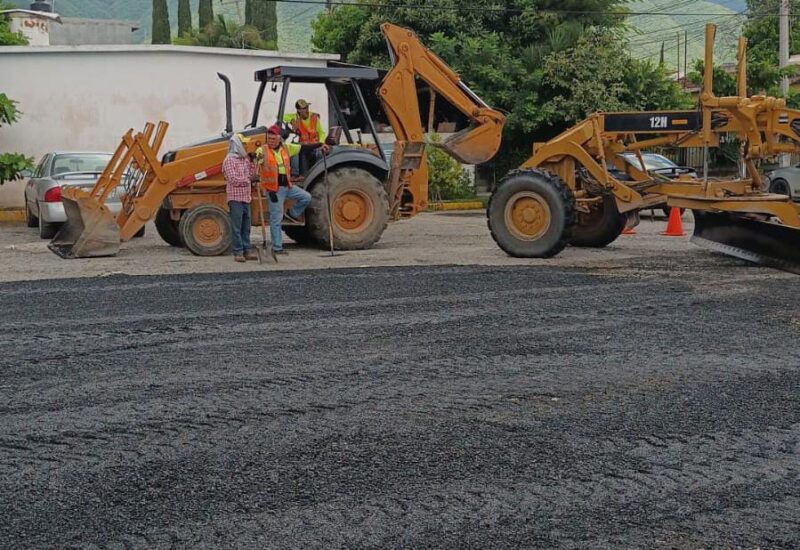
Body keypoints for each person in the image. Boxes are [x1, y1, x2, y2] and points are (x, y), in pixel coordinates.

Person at [256, 124, 329, 255]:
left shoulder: (286, 148)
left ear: (279, 139)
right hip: (274, 190)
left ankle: (292, 214)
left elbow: (304, 148)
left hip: (287, 186)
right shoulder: (262, 151)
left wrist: (319, 145)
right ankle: (277, 248)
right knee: (276, 219)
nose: (270, 141)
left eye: (273, 139)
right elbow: (255, 162)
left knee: (306, 197)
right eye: (269, 138)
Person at [221, 133, 258, 263]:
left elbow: (252, 174)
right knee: (236, 226)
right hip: (235, 198)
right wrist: (249, 180)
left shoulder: (244, 160)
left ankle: (247, 249)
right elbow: (233, 179)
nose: (246, 146)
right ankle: (238, 251)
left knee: (246, 226)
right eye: (244, 144)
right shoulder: (229, 161)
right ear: (237, 145)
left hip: (246, 197)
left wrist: (253, 162)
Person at [283, 99, 337, 174]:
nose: (306, 110)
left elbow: (321, 132)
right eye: (304, 108)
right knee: (295, 151)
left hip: (315, 145)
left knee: (313, 153)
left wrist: (321, 143)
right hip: (304, 146)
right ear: (298, 110)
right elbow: (281, 116)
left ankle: (309, 174)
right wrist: (291, 120)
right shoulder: (295, 117)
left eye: (307, 107)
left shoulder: (314, 117)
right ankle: (301, 174)